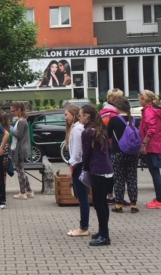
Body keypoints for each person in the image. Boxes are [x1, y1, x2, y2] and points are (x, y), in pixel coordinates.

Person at [79, 105, 114, 246]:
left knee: (99, 204)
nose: (79, 117)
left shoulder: (87, 132)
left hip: (97, 170)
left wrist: (85, 168)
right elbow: (109, 149)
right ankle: (102, 231)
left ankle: (104, 236)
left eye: (80, 115)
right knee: (103, 202)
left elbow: (86, 153)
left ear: (87, 116)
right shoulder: (100, 129)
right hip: (107, 169)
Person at [107, 97, 139, 214]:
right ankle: (134, 205)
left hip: (118, 152)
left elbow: (108, 134)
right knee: (132, 178)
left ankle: (119, 205)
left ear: (118, 107)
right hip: (133, 153)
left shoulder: (114, 120)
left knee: (119, 178)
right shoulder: (134, 120)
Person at [139, 89, 161, 210]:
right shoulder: (155, 110)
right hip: (158, 144)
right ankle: (159, 198)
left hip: (152, 146)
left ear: (145, 100)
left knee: (155, 172)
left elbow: (151, 130)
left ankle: (160, 200)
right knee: (155, 172)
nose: (139, 101)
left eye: (140, 99)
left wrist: (143, 144)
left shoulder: (149, 112)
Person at [65, 104, 89, 237]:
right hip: (80, 165)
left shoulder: (76, 129)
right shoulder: (78, 128)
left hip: (79, 165)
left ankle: (83, 227)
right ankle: (83, 225)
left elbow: (77, 152)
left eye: (66, 114)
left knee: (82, 197)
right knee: (82, 196)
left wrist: (71, 168)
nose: (65, 117)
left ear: (73, 115)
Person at [100, 88, 125, 204]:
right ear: (114, 100)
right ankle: (110, 195)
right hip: (111, 146)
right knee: (112, 171)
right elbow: (106, 132)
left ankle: (110, 194)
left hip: (110, 145)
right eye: (120, 97)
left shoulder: (105, 112)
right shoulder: (110, 114)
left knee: (111, 171)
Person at [10, 102, 34, 199]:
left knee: (20, 171)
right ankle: (29, 190)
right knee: (21, 170)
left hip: (19, 149)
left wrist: (11, 129)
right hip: (20, 148)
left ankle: (23, 192)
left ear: (19, 110)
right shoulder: (21, 120)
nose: (12, 112)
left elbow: (19, 135)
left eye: (13, 111)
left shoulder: (21, 121)